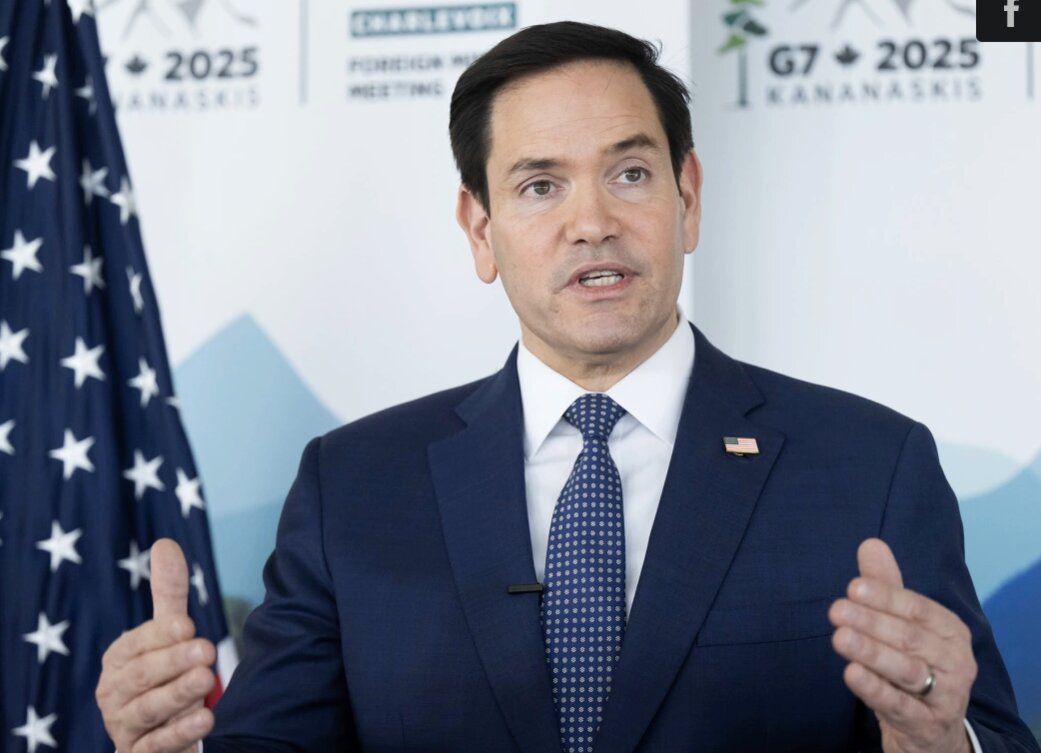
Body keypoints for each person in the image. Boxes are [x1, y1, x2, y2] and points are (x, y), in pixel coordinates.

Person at [94, 21, 1040, 753]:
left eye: (628, 173)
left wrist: (935, 739)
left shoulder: (868, 466)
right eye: (540, 186)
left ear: (687, 197)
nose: (591, 221)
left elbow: (985, 733)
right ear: (479, 229)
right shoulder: (353, 485)